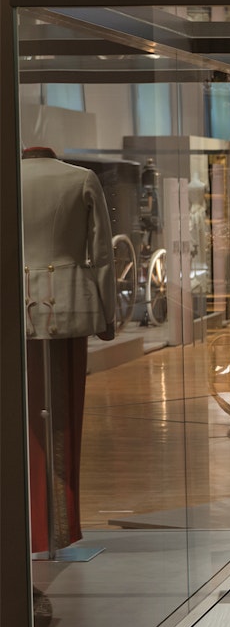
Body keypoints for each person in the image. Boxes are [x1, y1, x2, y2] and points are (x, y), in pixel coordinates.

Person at [21, 146, 117, 557]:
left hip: (17, 302)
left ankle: (29, 531)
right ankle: (60, 528)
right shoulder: (79, 178)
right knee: (64, 417)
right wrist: (107, 314)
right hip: (70, 302)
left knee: (20, 422)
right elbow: (103, 254)